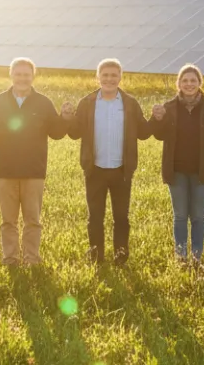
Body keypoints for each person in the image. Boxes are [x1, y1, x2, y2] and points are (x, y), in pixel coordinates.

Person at [0, 57, 69, 266]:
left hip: (34, 171)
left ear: (33, 76)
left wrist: (64, 118)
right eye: (18, 74)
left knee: (32, 221)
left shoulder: (44, 103)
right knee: (8, 221)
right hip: (5, 170)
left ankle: (32, 260)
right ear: (11, 75)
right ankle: (10, 259)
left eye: (26, 74)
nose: (22, 78)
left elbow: (57, 132)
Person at [64, 58, 152, 264]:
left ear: (120, 77)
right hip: (95, 169)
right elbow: (75, 133)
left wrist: (157, 118)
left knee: (121, 217)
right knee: (95, 217)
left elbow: (144, 132)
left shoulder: (130, 103)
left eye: (114, 75)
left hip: (122, 170)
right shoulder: (87, 103)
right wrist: (67, 118)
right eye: (105, 75)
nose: (109, 79)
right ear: (98, 77)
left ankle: (120, 255)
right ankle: (96, 256)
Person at [147, 64, 204, 263]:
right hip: (176, 171)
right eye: (185, 81)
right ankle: (181, 255)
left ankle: (197, 256)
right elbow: (158, 134)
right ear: (179, 84)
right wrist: (157, 119)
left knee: (198, 216)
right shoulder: (168, 107)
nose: (189, 84)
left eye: (193, 80)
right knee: (181, 215)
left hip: (202, 170)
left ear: (200, 83)